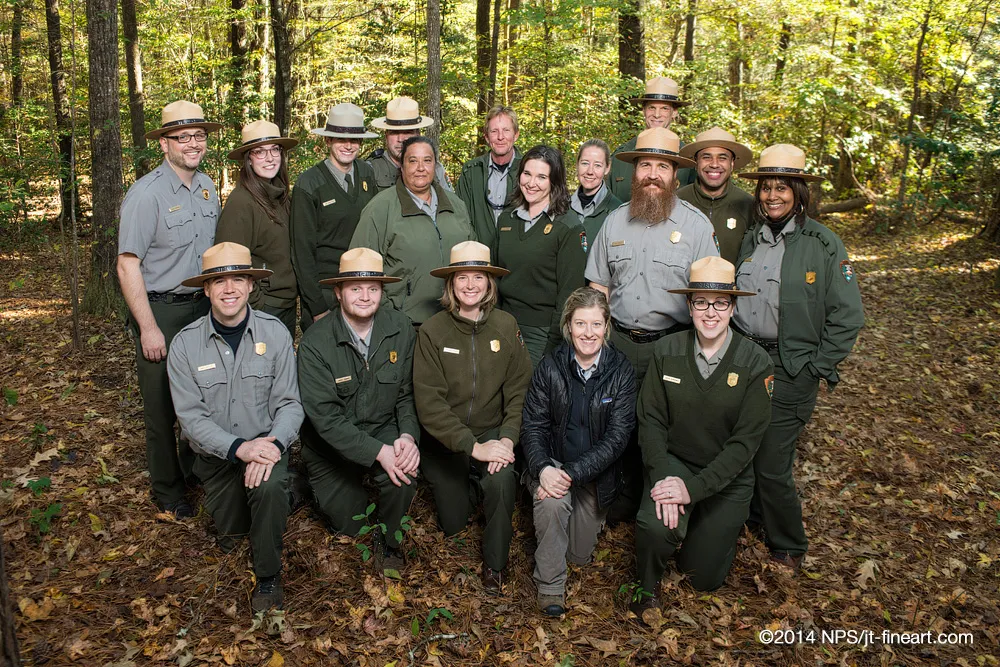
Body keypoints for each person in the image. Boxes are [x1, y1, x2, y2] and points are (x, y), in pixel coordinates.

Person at [734, 144, 864, 570]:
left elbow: (848, 315)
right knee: (745, 448)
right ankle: (750, 524)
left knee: (772, 463)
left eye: (782, 188)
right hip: (748, 360)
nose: (772, 195)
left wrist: (817, 366)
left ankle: (789, 543)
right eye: (766, 188)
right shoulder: (753, 238)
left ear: (799, 192)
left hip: (792, 368)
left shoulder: (822, 243)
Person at [586, 127, 719, 523]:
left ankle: (658, 505)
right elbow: (598, 287)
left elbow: (711, 297)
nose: (653, 174)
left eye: (663, 166)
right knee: (614, 424)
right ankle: (618, 503)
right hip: (620, 344)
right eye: (646, 165)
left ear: (676, 175)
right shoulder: (613, 223)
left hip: (673, 346)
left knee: (663, 430)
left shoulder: (696, 227)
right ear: (633, 171)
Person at [630, 256, 772, 617]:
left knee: (701, 578)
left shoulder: (756, 363)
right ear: (689, 305)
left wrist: (692, 492)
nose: (711, 312)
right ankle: (645, 589)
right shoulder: (667, 351)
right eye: (701, 302)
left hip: (727, 477)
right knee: (654, 524)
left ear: (733, 306)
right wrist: (664, 478)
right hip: (675, 463)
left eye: (721, 302)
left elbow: (744, 445)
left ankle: (700, 531)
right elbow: (651, 422)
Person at [167, 242, 303, 613]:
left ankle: (268, 577)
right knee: (231, 537)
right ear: (206, 289)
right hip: (219, 460)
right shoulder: (184, 345)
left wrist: (273, 444)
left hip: (266, 452)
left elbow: (290, 402)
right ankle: (279, 498)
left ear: (250, 285)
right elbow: (191, 420)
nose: (229, 289)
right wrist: (240, 448)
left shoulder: (274, 333)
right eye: (219, 281)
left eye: (238, 279)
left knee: (269, 485)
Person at [117, 100, 222, 518]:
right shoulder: (147, 194)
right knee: (162, 407)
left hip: (203, 308)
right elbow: (128, 264)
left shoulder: (208, 186)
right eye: (183, 137)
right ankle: (167, 492)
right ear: (164, 144)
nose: (193, 144)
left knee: (202, 395)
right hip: (163, 311)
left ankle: (192, 468)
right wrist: (148, 327)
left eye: (199, 136)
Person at [413, 241, 533, 591]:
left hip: (493, 434)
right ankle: (468, 485)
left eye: (478, 277)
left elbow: (519, 391)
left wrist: (507, 439)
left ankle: (495, 566)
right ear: (450, 284)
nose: (470, 285)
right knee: (453, 523)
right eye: (462, 277)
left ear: (489, 283)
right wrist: (471, 447)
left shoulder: (506, 325)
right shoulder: (432, 331)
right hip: (445, 443)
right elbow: (430, 404)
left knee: (500, 480)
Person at [297, 248, 419, 572]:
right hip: (329, 448)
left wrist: (407, 436)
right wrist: (379, 452)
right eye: (355, 288)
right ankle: (305, 485)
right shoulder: (315, 343)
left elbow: (407, 394)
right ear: (338, 292)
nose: (365, 296)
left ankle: (390, 544)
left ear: (382, 290)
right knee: (351, 527)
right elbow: (325, 419)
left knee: (403, 473)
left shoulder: (401, 328)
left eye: (373, 288)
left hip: (380, 425)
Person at [521, 287, 636, 616]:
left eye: (596, 325)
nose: (588, 333)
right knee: (553, 500)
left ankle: (574, 532)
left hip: (592, 475)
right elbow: (533, 426)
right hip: (552, 465)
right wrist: (544, 469)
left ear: (606, 327)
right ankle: (551, 588)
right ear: (568, 327)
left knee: (578, 555)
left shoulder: (621, 371)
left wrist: (573, 474)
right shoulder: (550, 367)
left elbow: (617, 438)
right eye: (581, 324)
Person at [350, 136, 475, 326]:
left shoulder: (456, 206)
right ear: (401, 166)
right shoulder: (380, 208)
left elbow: (473, 261)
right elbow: (359, 271)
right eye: (413, 161)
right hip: (406, 324)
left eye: (427, 160)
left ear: (435, 165)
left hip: (456, 320)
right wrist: (390, 313)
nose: (420, 168)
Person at [494, 145, 587, 366]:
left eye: (541, 177)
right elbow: (495, 275)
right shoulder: (506, 219)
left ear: (554, 182)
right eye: (527, 174)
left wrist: (552, 345)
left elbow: (569, 294)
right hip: (502, 323)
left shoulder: (568, 227)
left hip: (541, 333)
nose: (531, 183)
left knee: (530, 395)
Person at [290, 103, 378, 330]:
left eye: (355, 140)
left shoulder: (367, 173)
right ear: (328, 140)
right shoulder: (309, 184)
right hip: (326, 293)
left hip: (363, 288)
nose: (348, 146)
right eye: (341, 139)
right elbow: (302, 252)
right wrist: (317, 307)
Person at [216, 120, 299, 336]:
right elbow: (229, 265)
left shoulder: (281, 196)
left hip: (286, 305)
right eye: (260, 152)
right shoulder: (241, 203)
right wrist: (258, 305)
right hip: (263, 309)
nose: (270, 158)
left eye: (274, 150)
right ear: (249, 160)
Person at [676, 127, 754, 265]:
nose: (714, 164)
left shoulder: (749, 205)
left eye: (722, 158)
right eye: (706, 157)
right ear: (696, 162)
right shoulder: (676, 201)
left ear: (732, 163)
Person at [608, 77, 694, 202]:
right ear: (643, 110)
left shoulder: (688, 159)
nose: (657, 114)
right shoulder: (620, 156)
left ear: (674, 112)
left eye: (664, 108)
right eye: (651, 108)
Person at [456, 106, 522, 250]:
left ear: (516, 135)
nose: (500, 137)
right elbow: (461, 219)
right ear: (486, 137)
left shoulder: (528, 171)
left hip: (517, 258)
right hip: (479, 256)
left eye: (506, 130)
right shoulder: (471, 172)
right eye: (494, 131)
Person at [368, 96, 453, 193]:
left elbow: (451, 204)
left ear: (418, 134)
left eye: (407, 132)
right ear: (386, 135)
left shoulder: (435, 169)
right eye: (394, 133)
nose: (401, 139)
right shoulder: (371, 169)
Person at [570, 139, 623, 244]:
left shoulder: (618, 212)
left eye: (597, 165)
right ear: (577, 164)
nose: (590, 171)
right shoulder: (561, 207)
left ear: (607, 168)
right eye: (585, 163)